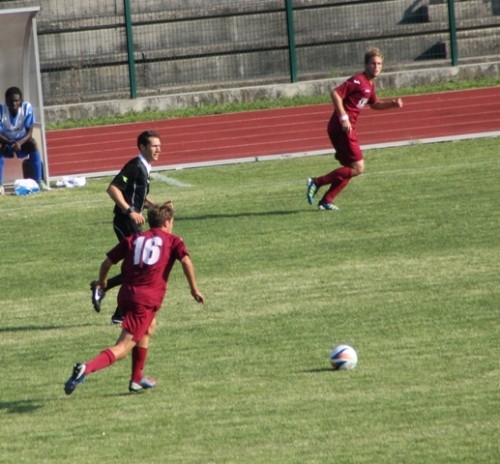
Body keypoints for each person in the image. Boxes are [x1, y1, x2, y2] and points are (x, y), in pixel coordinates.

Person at [65, 201, 205, 395]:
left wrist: (103, 283)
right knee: (122, 347)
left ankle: (137, 378)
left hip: (126, 296)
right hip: (145, 300)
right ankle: (85, 369)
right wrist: (194, 289)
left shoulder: (134, 238)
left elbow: (106, 263)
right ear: (167, 223)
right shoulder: (174, 240)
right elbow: (186, 262)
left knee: (150, 326)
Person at [306, 48, 403, 210]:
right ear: (366, 65)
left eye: (379, 64)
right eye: (373, 63)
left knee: (350, 168)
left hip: (342, 128)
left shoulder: (369, 85)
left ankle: (326, 201)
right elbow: (336, 94)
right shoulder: (358, 80)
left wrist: (392, 104)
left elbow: (375, 104)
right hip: (342, 128)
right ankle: (316, 182)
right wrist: (344, 118)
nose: (376, 67)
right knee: (358, 167)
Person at [90, 130, 161, 324]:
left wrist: (155, 206)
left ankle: (105, 292)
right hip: (124, 221)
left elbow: (137, 196)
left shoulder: (145, 167)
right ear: (142, 147)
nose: (158, 149)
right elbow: (113, 189)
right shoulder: (135, 166)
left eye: (159, 146)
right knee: (139, 266)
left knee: (138, 266)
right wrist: (130, 210)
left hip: (131, 221)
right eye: (154, 146)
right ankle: (119, 313)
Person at [0, 86, 48, 194]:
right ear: (6, 102)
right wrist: (9, 142)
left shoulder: (27, 108)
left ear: (21, 101)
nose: (14, 103)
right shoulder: (1, 110)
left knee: (33, 143)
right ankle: (0, 185)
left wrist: (19, 143)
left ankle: (39, 181)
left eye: (16, 101)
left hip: (21, 141)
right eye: (11, 101)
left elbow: (29, 132)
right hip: (6, 141)